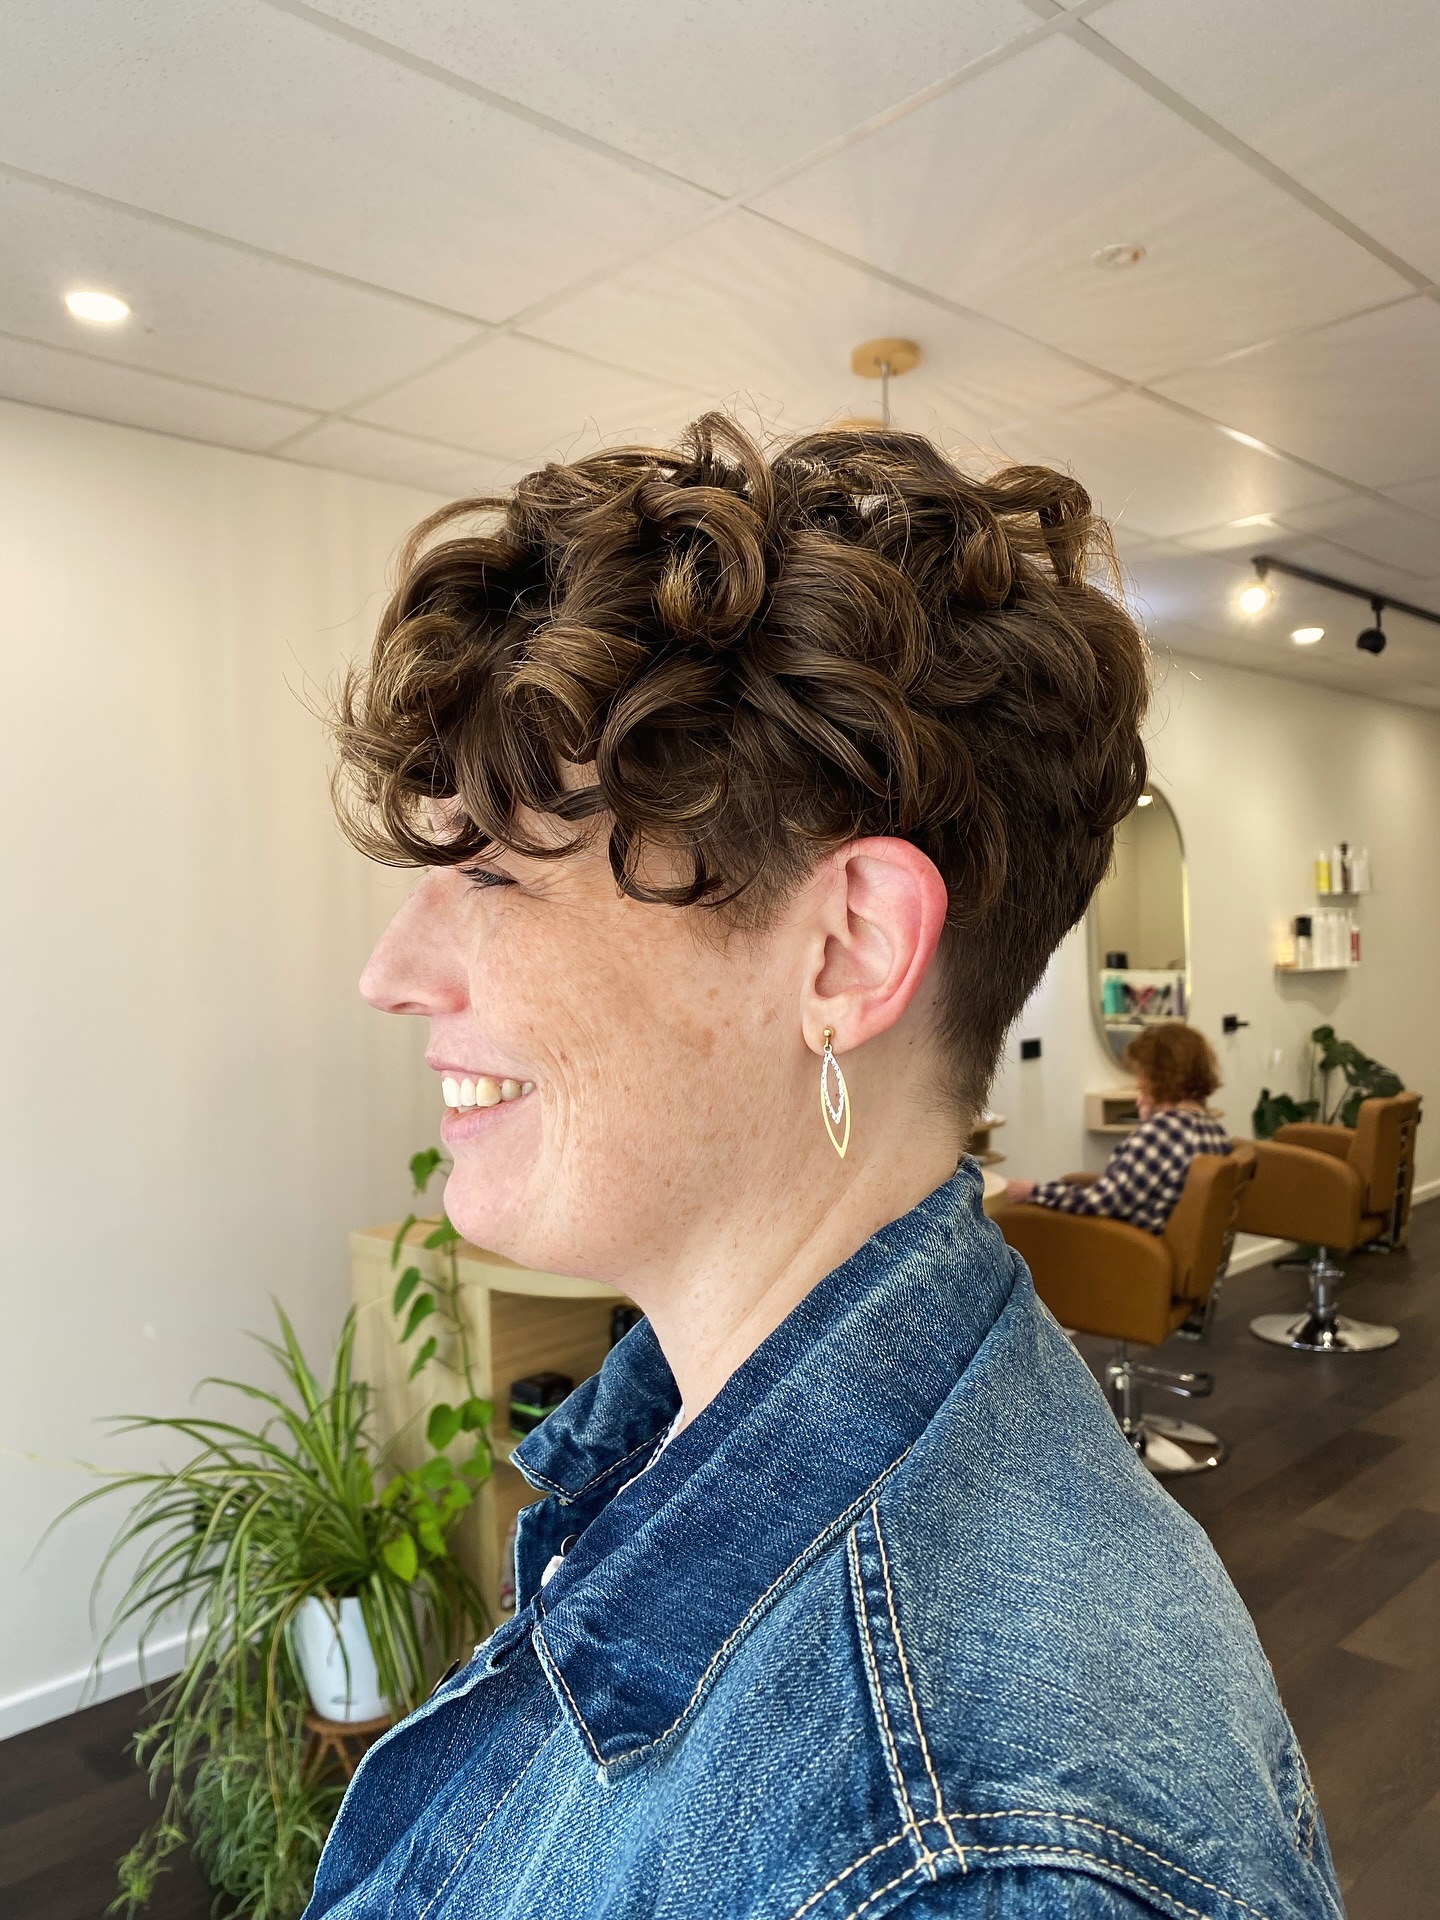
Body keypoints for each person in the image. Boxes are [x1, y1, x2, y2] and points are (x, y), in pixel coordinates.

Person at [308, 416, 1340, 1918]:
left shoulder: (975, 1856)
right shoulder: (689, 1433)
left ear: (848, 950)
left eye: (490, 873)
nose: (391, 972)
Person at [1006, 1024, 1228, 1231]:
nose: (1138, 1083)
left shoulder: (1159, 1134)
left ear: (1158, 1076)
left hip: (1130, 1254)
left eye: (1141, 1075)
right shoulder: (1215, 1133)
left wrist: (1033, 1191)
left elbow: (1104, 1202)